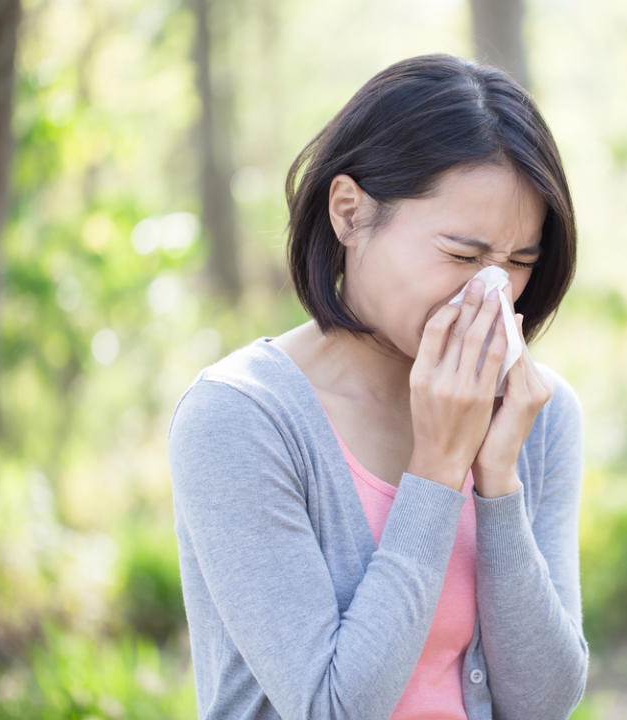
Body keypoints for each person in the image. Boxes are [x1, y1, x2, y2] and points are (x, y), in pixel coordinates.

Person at [167, 53, 588, 720]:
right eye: (462, 254)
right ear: (349, 214)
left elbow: (544, 703)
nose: (492, 290)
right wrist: (440, 467)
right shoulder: (239, 419)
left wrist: (498, 479)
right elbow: (334, 708)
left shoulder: (541, 413)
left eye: (519, 262)